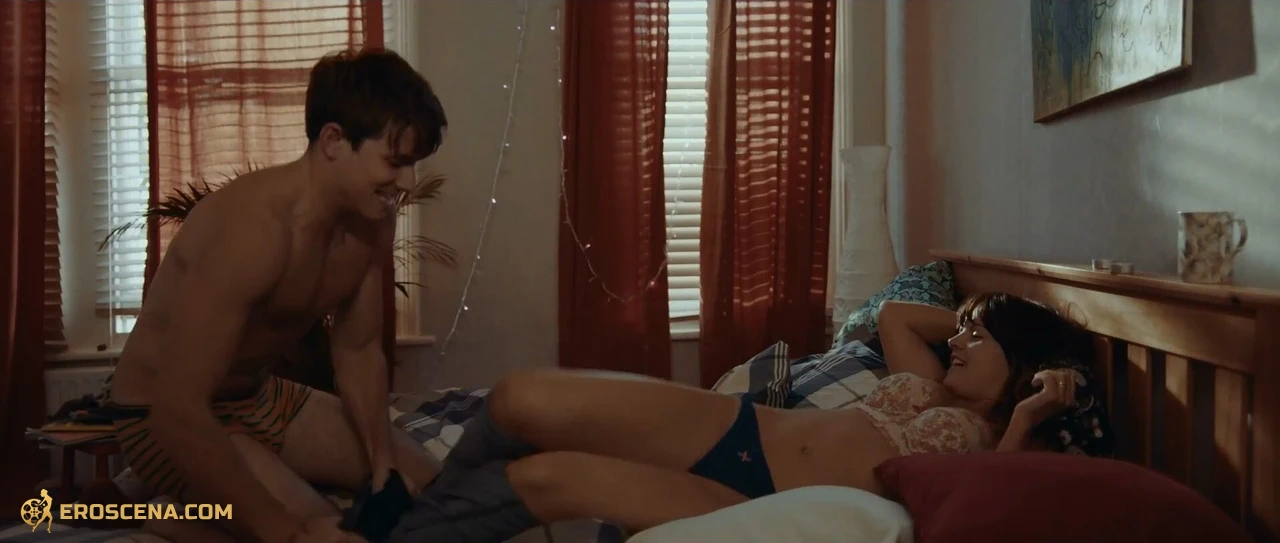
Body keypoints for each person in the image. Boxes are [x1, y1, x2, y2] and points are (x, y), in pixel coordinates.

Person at [389, 292, 1110, 542]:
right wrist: (975, 314)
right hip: (739, 428)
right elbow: (895, 313)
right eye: (961, 330)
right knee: (519, 398)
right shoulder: (925, 381)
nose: (956, 340)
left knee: (548, 479)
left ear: (1022, 361)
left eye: (977, 338)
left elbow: (986, 509)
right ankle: (409, 503)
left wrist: (1031, 406)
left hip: (756, 501)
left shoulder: (1004, 442)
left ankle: (388, 533)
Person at [103, 48, 446, 543]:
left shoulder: (372, 222)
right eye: (395, 162)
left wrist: (382, 467)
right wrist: (287, 533)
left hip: (260, 397)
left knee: (433, 489)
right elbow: (176, 409)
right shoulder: (252, 231)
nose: (408, 184)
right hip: (159, 414)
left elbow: (358, 348)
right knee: (316, 529)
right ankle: (167, 515)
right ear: (333, 140)